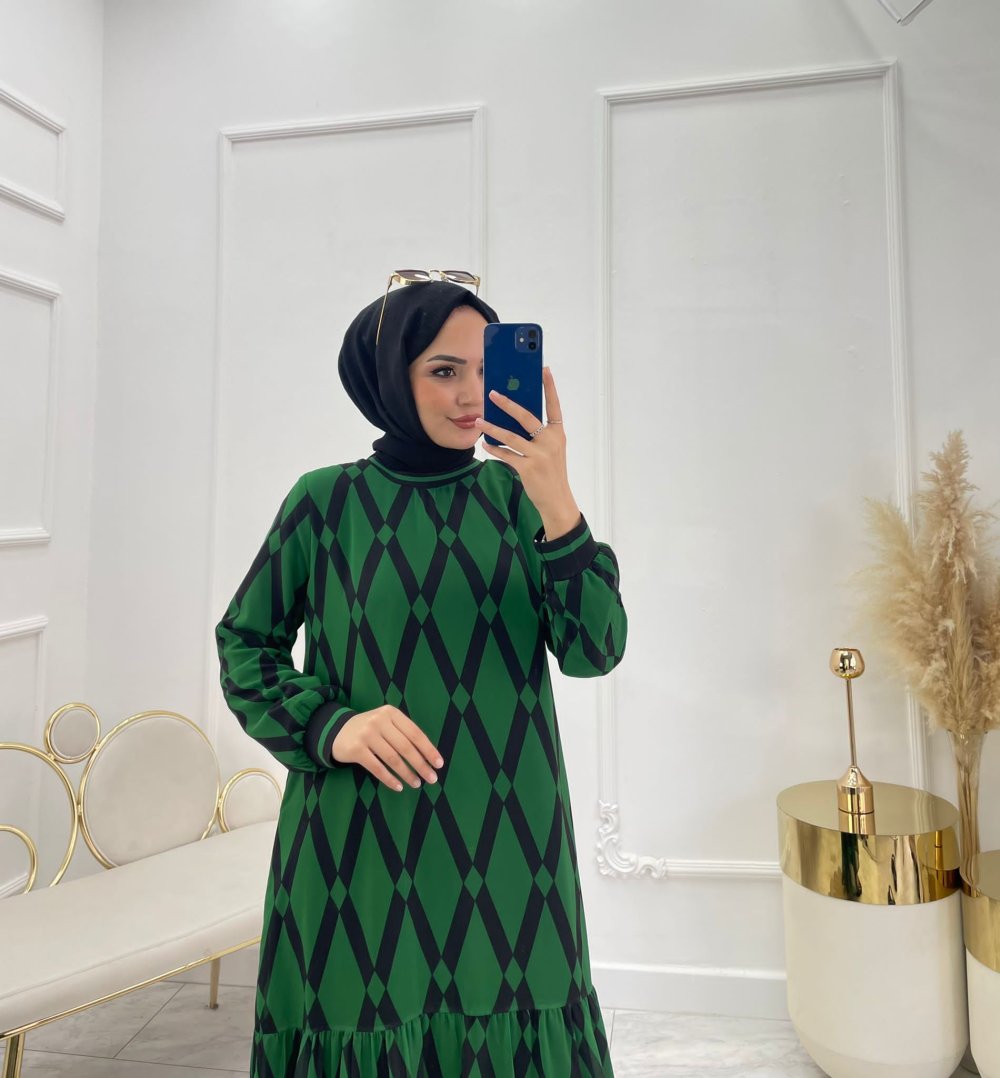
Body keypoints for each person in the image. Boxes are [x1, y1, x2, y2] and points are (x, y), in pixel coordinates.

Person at [215, 276, 628, 1077]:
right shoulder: (326, 502)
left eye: (485, 370)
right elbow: (245, 644)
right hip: (361, 837)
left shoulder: (517, 499)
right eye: (444, 371)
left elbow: (595, 649)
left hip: (509, 842)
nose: (472, 395)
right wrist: (333, 726)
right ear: (389, 378)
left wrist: (556, 498)